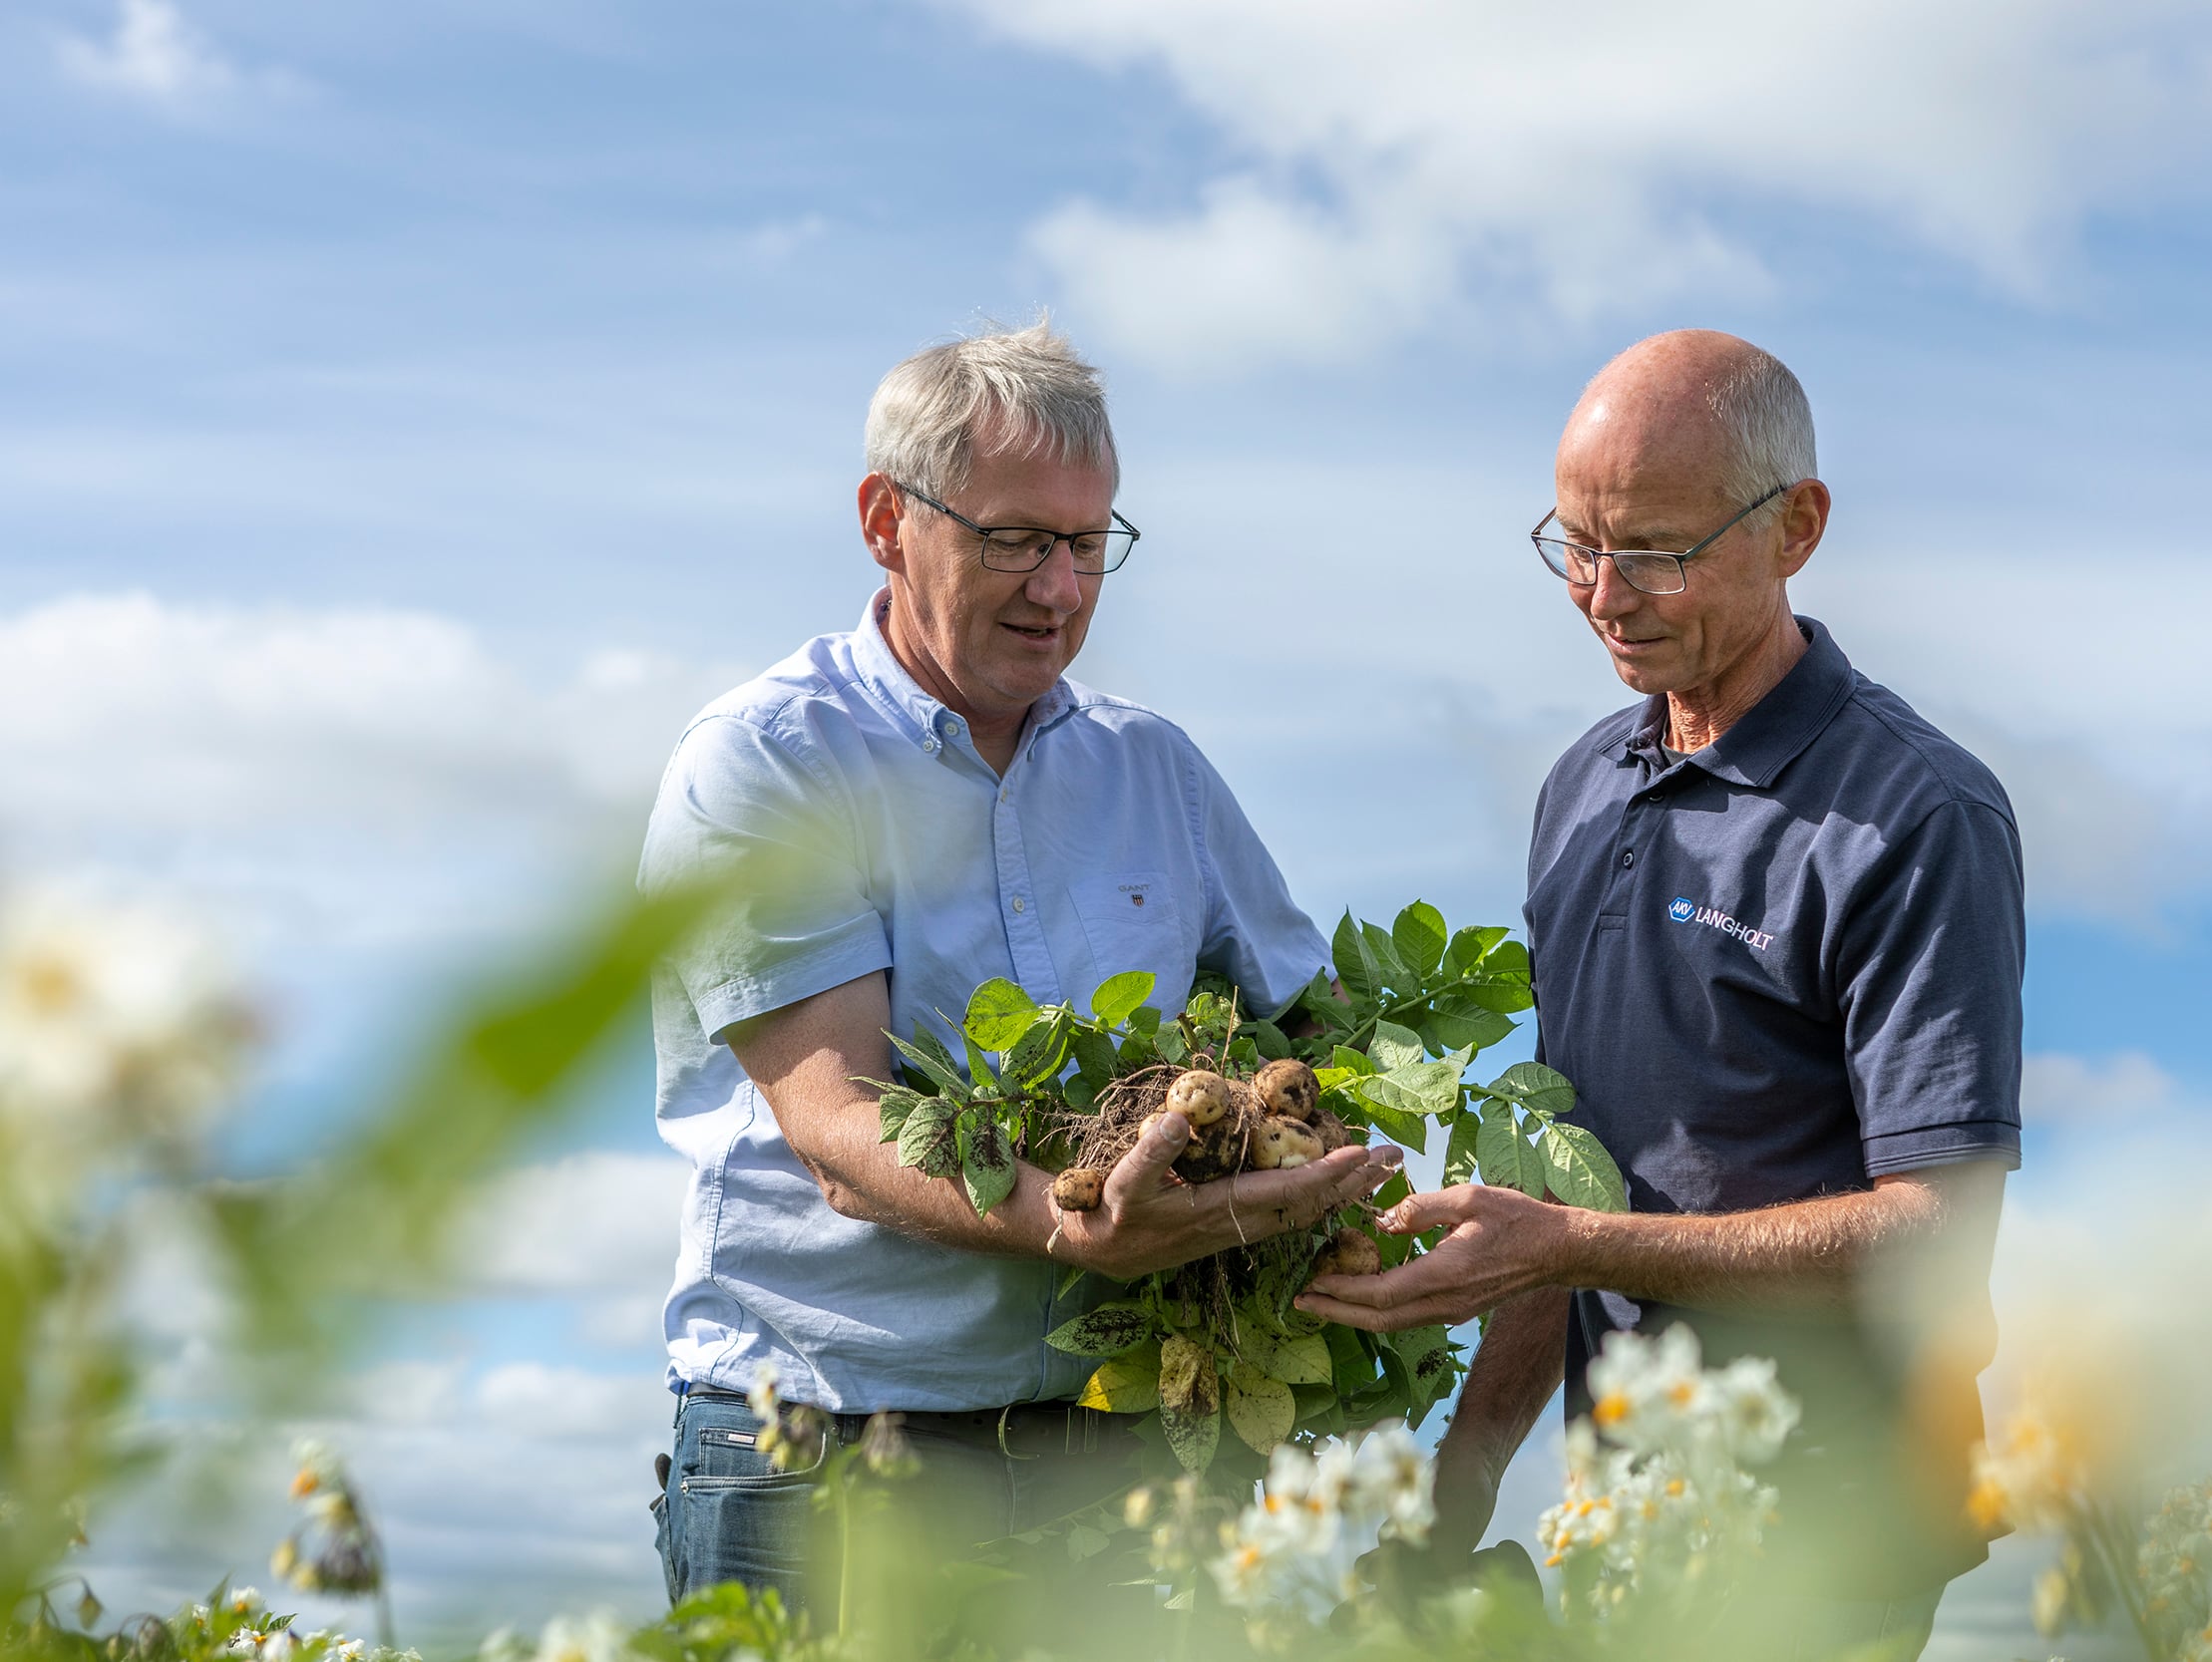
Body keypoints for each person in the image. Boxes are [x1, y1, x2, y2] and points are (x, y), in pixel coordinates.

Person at [639, 321, 1398, 1607]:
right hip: (826, 1459)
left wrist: (1332, 1153)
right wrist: (1078, 1219)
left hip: (1128, 1449)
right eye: (1015, 540)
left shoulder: (1152, 770)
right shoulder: (770, 761)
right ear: (888, 520)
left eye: (1089, 543)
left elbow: (1316, 1031)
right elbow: (838, 1131)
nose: (1060, 588)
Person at [1299, 330, 2022, 1656]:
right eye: (1573, 543)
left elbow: (1936, 1241)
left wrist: (1577, 1249)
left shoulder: (1918, 814)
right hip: (1626, 1508)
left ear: (1794, 527)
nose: (1600, 592)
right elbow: (1568, 1190)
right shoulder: (1582, 789)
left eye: (1655, 551)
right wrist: (1457, 1492)